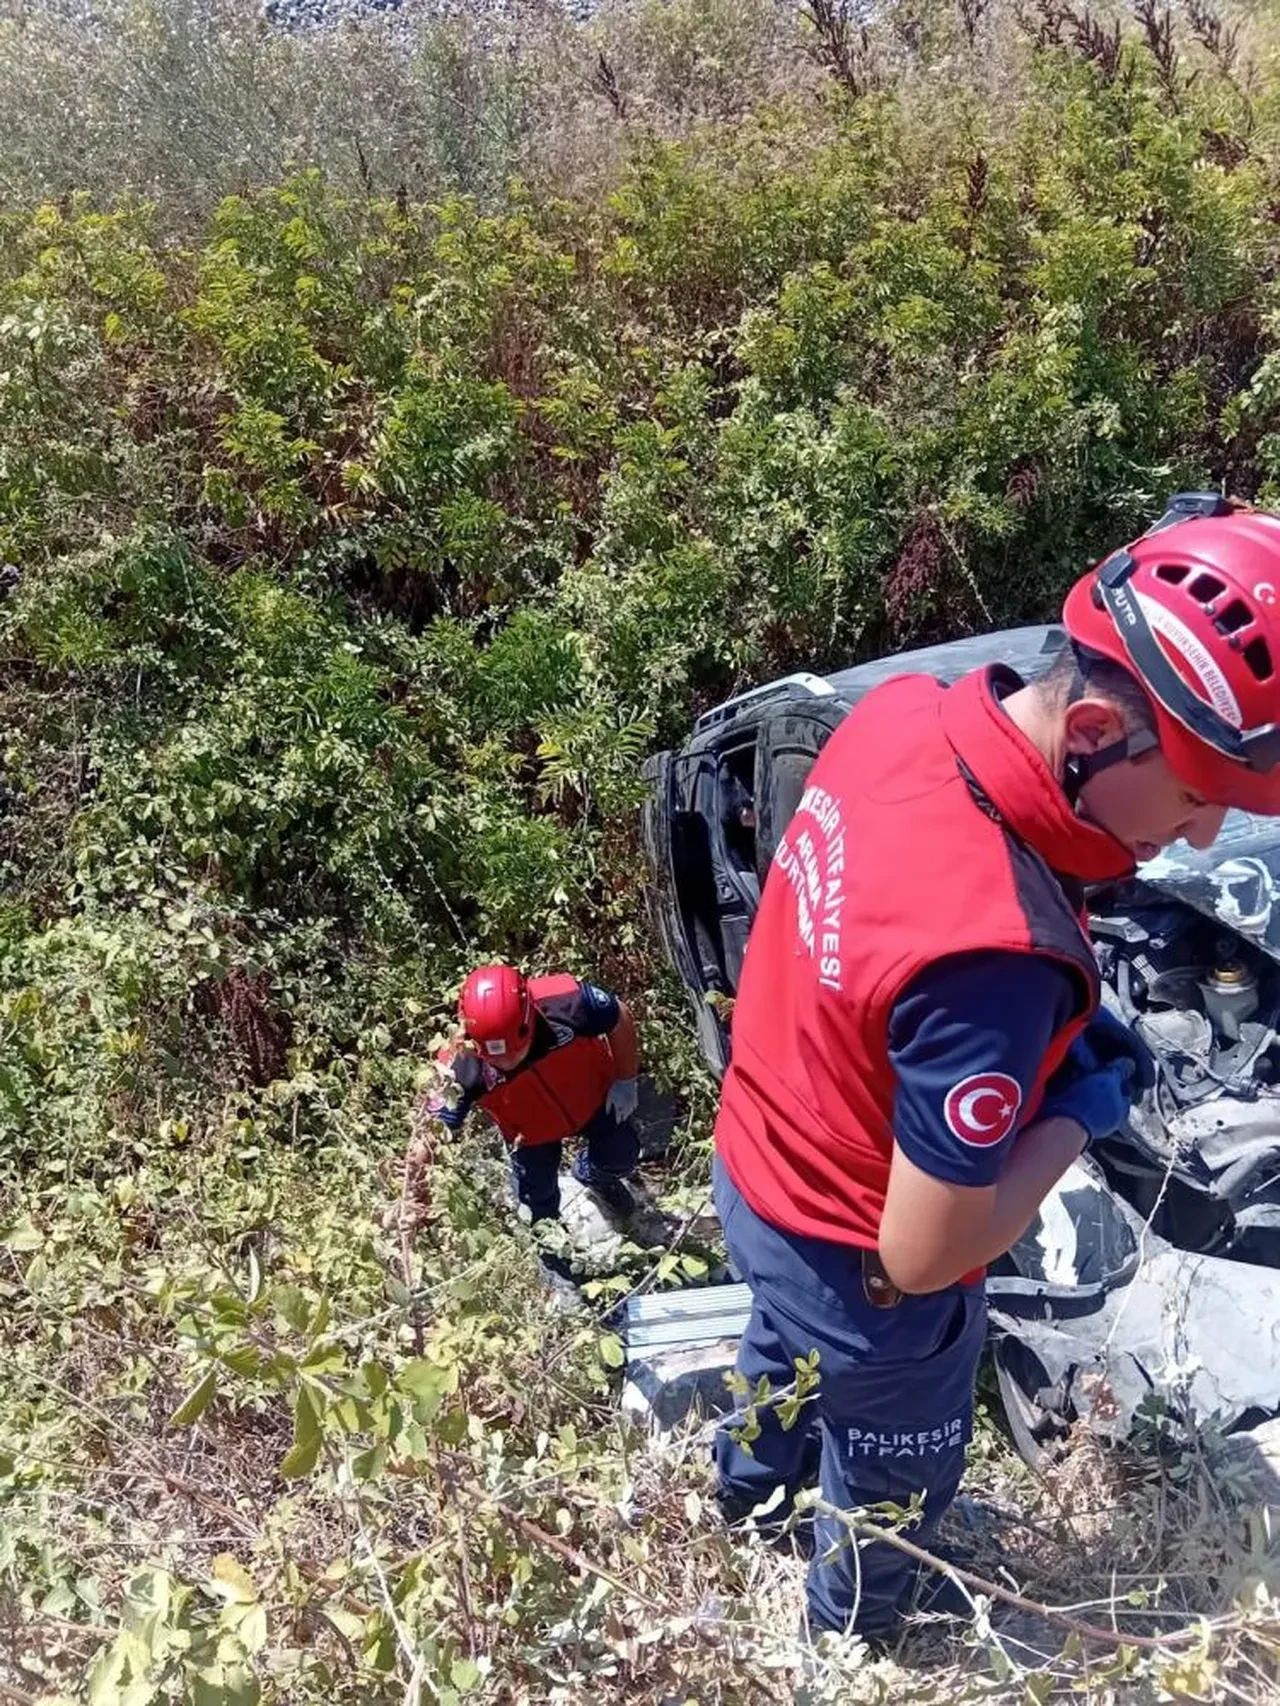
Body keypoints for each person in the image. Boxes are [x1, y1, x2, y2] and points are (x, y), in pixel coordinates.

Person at [711, 496, 1280, 1645]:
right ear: (1086, 737)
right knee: (891, 1478)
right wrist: (1076, 1107)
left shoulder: (896, 718)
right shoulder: (993, 959)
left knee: (776, 1360)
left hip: (756, 1160)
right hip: (860, 1258)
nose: (1202, 838)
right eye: (1192, 794)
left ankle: (744, 1501)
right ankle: (858, 1632)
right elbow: (922, 1251)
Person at [435, 964, 641, 1270]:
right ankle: (559, 1272)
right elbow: (433, 1129)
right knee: (538, 1209)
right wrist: (416, 1194)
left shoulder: (564, 1003)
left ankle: (593, 1177)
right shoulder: (460, 1062)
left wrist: (626, 1078)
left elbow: (617, 1014)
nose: (505, 1062)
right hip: (529, 1133)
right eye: (495, 1057)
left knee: (622, 1153)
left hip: (592, 1099)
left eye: (513, 1052)